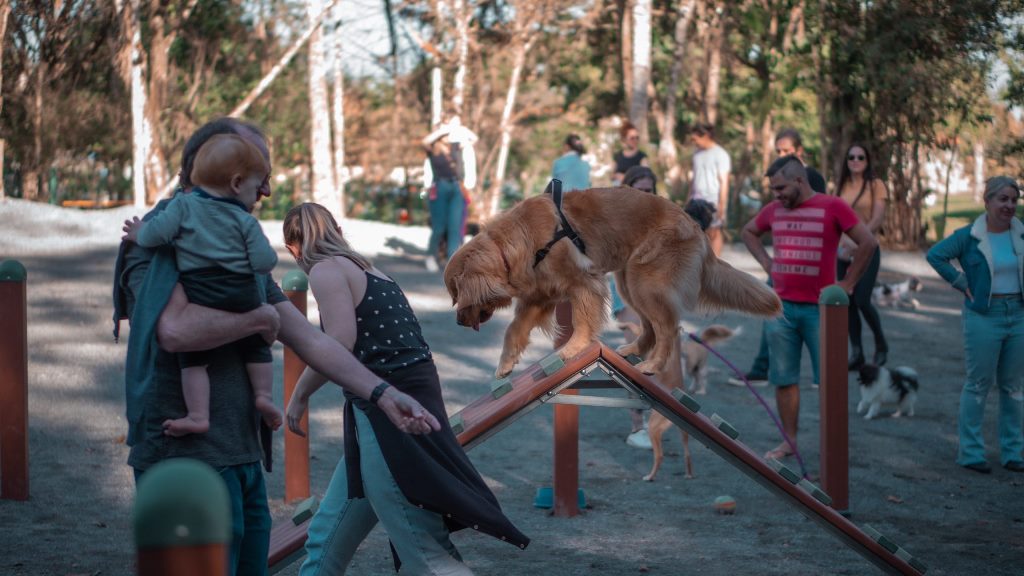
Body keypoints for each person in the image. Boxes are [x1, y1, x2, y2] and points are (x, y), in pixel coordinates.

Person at [114, 117, 440, 576]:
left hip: (241, 452)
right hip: (185, 462)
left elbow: (309, 338)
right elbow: (175, 331)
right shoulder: (163, 234)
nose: (265, 190)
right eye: (255, 173)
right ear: (216, 168)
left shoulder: (229, 238)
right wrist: (257, 318)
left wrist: (383, 395)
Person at [282, 203, 528, 574]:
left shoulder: (325, 270)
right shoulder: (370, 269)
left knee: (424, 550)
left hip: (390, 411)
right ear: (337, 228)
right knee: (326, 536)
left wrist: (299, 395)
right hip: (399, 399)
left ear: (292, 249)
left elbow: (339, 342)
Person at [122, 134, 283, 437]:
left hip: (202, 292)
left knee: (193, 360)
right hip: (242, 292)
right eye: (256, 185)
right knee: (257, 345)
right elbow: (264, 262)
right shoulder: (244, 220)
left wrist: (138, 233)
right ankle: (264, 396)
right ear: (236, 184)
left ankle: (198, 415)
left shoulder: (183, 207)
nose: (262, 192)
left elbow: (155, 235)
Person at [741, 155, 877, 460]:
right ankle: (789, 441)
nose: (776, 195)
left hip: (821, 312)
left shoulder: (833, 206)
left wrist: (848, 283)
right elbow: (749, 231)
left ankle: (832, 448)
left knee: (829, 381)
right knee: (784, 378)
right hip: (780, 309)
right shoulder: (774, 210)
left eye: (780, 188)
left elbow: (867, 242)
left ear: (799, 181)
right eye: (773, 189)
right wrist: (768, 263)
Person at [927, 176, 1024, 474]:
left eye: (1013, 199)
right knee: (979, 384)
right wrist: (960, 282)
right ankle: (970, 452)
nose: (1009, 205)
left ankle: (1014, 452)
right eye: (1003, 199)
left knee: (1013, 387)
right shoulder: (969, 235)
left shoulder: (1021, 233)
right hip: (984, 314)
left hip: (1018, 313)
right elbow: (936, 255)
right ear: (987, 201)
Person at [730, 128, 827, 387]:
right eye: (778, 151)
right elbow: (756, 226)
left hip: (812, 276)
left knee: (815, 335)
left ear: (799, 152)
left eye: (786, 150)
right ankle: (762, 367)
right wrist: (768, 263)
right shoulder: (776, 184)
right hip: (783, 268)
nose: (782, 154)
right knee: (772, 315)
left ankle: (821, 377)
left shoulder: (813, 178)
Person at [835, 143, 888, 368]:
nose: (855, 161)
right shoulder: (842, 186)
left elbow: (877, 218)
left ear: (867, 160)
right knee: (846, 300)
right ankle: (856, 352)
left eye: (860, 157)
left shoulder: (876, 185)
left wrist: (860, 241)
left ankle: (881, 344)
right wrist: (843, 242)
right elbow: (835, 217)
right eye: (851, 157)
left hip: (867, 248)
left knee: (863, 299)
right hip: (843, 250)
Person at [422, 120, 476, 272]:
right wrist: (441, 131)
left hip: (456, 187)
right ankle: (431, 256)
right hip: (439, 187)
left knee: (455, 226)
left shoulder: (456, 145)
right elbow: (425, 141)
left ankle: (452, 262)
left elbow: (474, 138)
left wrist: (459, 127)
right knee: (439, 227)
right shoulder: (432, 148)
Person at [688, 123, 731, 256]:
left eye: (695, 139)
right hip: (696, 199)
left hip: (713, 200)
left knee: (715, 231)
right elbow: (693, 178)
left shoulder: (720, 154)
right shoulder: (696, 154)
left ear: (706, 136)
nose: (694, 142)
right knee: (696, 233)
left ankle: (716, 263)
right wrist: (688, 198)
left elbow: (724, 182)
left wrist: (721, 206)